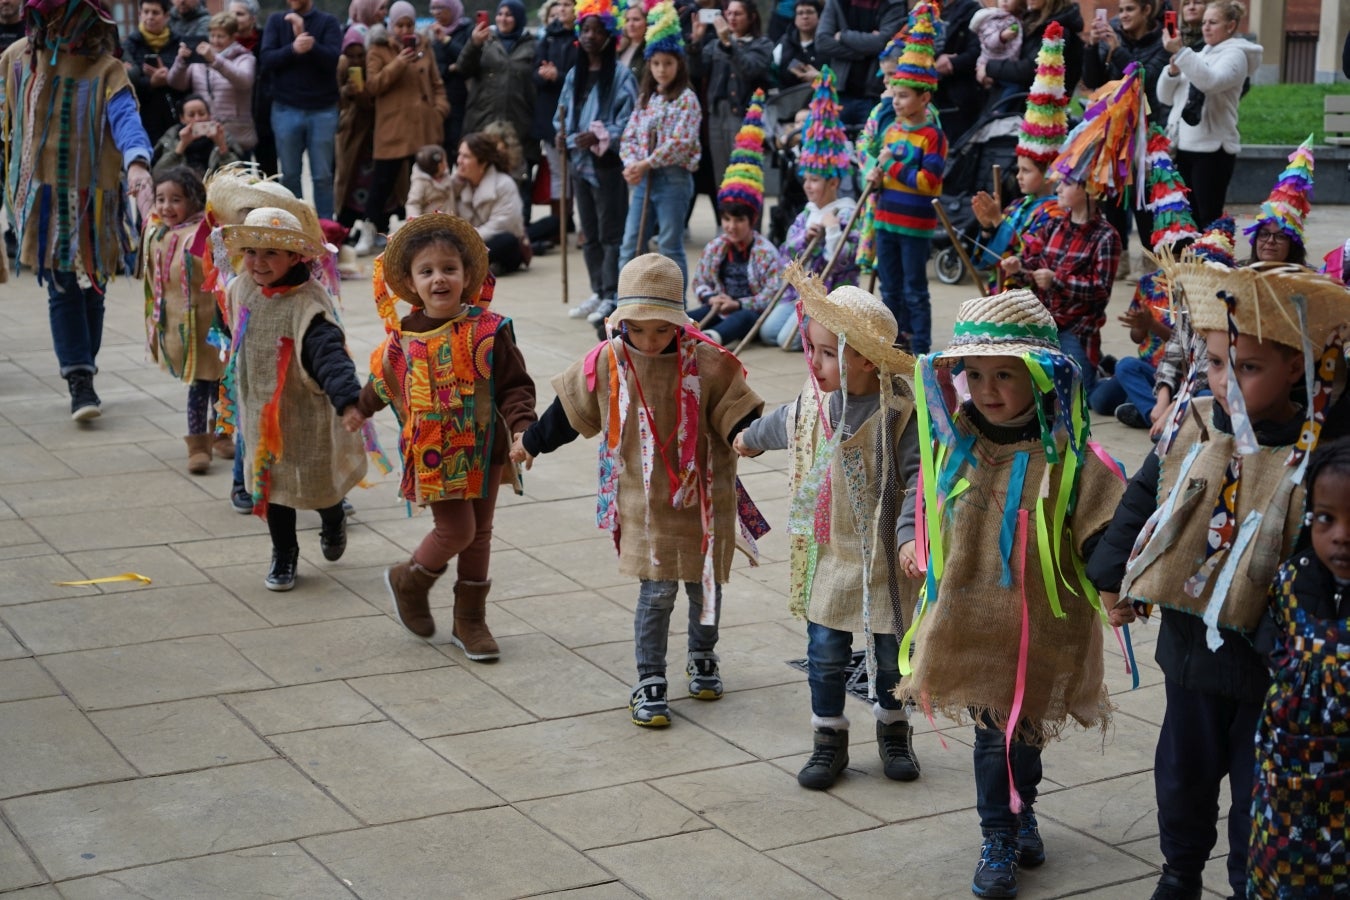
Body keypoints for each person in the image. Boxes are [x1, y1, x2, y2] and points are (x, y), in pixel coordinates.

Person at [1087, 261, 1350, 900]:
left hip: (1274, 664)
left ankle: (1247, 881)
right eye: (1213, 363)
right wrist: (1114, 573)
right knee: (1182, 775)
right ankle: (1179, 870)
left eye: (1248, 367)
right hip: (1189, 649)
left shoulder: (1326, 448)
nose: (1224, 380)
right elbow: (1146, 493)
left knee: (1260, 785)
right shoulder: (1196, 424)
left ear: (1299, 366)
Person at [896, 289, 1124, 899]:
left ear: (1043, 376)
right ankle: (996, 834)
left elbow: (1104, 525)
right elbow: (918, 498)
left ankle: (1024, 810)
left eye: (1005, 375)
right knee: (990, 736)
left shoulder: (1069, 458)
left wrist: (1114, 580)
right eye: (974, 374)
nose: (987, 388)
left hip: (1039, 627)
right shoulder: (955, 444)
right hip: (970, 624)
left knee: (1024, 735)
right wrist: (909, 538)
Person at [511, 254, 765, 728]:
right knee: (658, 591)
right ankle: (650, 678)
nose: (650, 341)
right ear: (621, 322)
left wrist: (748, 437)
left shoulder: (707, 361)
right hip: (645, 500)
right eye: (639, 329)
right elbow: (568, 413)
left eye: (662, 330)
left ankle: (702, 654)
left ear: (680, 325)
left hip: (702, 495)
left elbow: (738, 411)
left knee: (704, 582)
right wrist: (530, 442)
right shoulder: (608, 362)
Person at [736, 272, 921, 789]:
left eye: (823, 353)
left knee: (891, 655)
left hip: (886, 556)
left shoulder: (899, 410)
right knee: (825, 652)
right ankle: (828, 740)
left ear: (864, 357)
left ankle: (893, 729)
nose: (811, 363)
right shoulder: (817, 400)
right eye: (809, 349)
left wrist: (910, 536)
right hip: (830, 551)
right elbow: (785, 422)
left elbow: (917, 481)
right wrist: (749, 438)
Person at [352, 213, 536, 657]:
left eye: (449, 269)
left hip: (488, 451)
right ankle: (410, 578)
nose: (439, 279)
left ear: (468, 276)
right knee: (457, 531)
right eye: (427, 271)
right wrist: (358, 410)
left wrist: (523, 429)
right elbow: (383, 383)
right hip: (435, 454)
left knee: (481, 532)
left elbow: (515, 385)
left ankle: (469, 620)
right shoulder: (403, 340)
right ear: (411, 283)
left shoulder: (490, 331)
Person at [2, 0, 155, 421]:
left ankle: (83, 365)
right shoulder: (16, 62)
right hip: (43, 196)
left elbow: (126, 118)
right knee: (63, 283)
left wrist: (137, 162)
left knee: (96, 284)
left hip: (96, 195)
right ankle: (79, 379)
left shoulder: (108, 69)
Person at [219, 206, 366, 591]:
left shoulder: (308, 305)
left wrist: (349, 401)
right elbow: (229, 318)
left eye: (271, 253)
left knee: (318, 484)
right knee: (272, 488)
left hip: (304, 414)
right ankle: (284, 553)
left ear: (294, 257)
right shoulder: (242, 286)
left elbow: (330, 357)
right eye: (251, 251)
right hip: (259, 413)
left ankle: (333, 519)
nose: (258, 262)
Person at [1248, 438, 1350, 897]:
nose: (1341, 535)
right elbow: (1269, 635)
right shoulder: (1291, 581)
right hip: (1286, 785)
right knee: (1283, 877)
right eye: (1326, 518)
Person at [1088, 127, 1193, 430]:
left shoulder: (1199, 286)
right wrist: (1139, 327)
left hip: (1180, 374)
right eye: (1166, 248)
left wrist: (1154, 326)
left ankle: (1150, 415)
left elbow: (1189, 346)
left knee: (1127, 375)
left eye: (1179, 249)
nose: (1172, 255)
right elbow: (1138, 338)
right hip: (1147, 369)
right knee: (1101, 399)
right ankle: (1144, 405)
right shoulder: (1149, 284)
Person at [867, 4, 947, 355]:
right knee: (891, 289)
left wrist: (892, 167)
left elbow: (929, 183)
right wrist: (877, 177)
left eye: (903, 96)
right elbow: (886, 174)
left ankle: (923, 348)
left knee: (915, 289)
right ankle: (894, 346)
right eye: (894, 94)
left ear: (924, 97)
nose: (895, 101)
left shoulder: (933, 136)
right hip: (886, 221)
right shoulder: (892, 130)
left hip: (915, 226)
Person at [761, 68, 857, 350]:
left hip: (829, 297)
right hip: (800, 295)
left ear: (834, 181)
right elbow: (786, 256)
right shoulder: (806, 212)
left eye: (814, 180)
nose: (808, 186)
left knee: (786, 342)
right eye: (806, 179)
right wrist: (804, 239)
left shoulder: (846, 213)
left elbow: (842, 263)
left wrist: (831, 231)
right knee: (768, 333)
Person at [554, 1, 638, 322]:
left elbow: (628, 120)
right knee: (588, 231)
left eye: (597, 30)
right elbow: (560, 114)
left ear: (609, 35)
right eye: (585, 29)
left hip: (608, 164)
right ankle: (597, 289)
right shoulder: (574, 75)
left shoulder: (620, 76)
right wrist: (562, 135)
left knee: (611, 232)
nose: (590, 36)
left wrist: (602, 136)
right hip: (578, 163)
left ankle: (613, 293)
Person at [141, 167, 229, 473]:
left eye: (175, 199)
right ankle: (197, 444)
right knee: (199, 386)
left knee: (222, 383)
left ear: (193, 200)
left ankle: (222, 433)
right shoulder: (157, 234)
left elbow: (225, 270)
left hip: (213, 325)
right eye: (160, 199)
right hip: (185, 330)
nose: (166, 207)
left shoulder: (205, 234)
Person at [969, 21, 1067, 292]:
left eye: (1027, 171)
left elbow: (1031, 256)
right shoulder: (1015, 208)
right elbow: (986, 261)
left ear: (1049, 171)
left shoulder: (1057, 215)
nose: (1018, 176)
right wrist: (988, 227)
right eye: (1020, 169)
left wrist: (999, 222)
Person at [616, 2, 701, 295]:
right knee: (630, 243)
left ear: (679, 65)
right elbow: (628, 136)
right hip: (643, 180)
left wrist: (646, 163)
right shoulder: (646, 98)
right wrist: (631, 163)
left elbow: (681, 142)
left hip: (673, 179)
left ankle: (676, 305)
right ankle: (625, 302)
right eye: (656, 64)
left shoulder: (687, 99)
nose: (662, 70)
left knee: (669, 244)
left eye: (668, 63)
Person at [1156, 0, 1262, 230]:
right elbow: (1164, 97)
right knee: (1186, 217)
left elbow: (1210, 82)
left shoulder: (1236, 55)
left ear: (1231, 26)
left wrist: (1182, 53)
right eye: (1204, 22)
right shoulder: (1199, 54)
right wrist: (1173, 71)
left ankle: (1213, 263)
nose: (1206, 27)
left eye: (1213, 23)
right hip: (1184, 146)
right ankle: (1191, 265)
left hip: (1214, 150)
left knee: (1208, 217)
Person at [1083, 0, 1170, 273]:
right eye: (1120, 11)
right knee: (1114, 197)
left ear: (1147, 10)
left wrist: (1117, 51)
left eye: (1130, 9)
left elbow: (1146, 78)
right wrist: (1091, 46)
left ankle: (1149, 257)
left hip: (1148, 129)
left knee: (1143, 198)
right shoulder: (1112, 37)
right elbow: (1092, 78)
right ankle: (1117, 258)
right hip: (1114, 130)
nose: (1123, 16)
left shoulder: (1162, 42)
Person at [689, 92, 781, 347]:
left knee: (740, 318)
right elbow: (701, 281)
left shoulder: (764, 251)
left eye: (738, 220)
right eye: (727, 219)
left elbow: (772, 292)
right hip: (719, 306)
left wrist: (738, 303)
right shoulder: (716, 247)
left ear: (752, 220)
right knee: (689, 318)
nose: (731, 226)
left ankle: (711, 341)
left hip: (749, 313)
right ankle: (657, 332)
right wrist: (712, 299)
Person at [364, 2, 449, 241]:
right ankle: (370, 230)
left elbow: (437, 83)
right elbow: (373, 85)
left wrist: (439, 111)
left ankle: (428, 227)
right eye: (399, 25)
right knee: (382, 181)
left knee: (426, 180)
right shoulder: (378, 48)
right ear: (390, 25)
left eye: (409, 24)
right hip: (393, 127)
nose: (404, 30)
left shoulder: (425, 45)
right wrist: (400, 62)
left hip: (423, 126)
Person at [259, 0, 344, 220]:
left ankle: (327, 228)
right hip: (285, 109)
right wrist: (293, 49)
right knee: (290, 175)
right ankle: (294, 227)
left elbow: (333, 59)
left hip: (323, 110)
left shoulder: (328, 22)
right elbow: (266, 59)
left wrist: (311, 46)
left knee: (323, 176)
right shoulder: (276, 21)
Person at [458, 0, 539, 217]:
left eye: (509, 15)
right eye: (500, 14)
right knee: (482, 181)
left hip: (518, 127)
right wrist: (473, 44)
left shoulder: (532, 45)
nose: (503, 18)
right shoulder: (485, 41)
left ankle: (522, 237)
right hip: (483, 124)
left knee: (519, 182)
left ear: (519, 18)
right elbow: (463, 69)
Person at [688, 0, 773, 195]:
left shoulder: (763, 44)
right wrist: (696, 41)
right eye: (729, 13)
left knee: (746, 174)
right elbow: (697, 70)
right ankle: (727, 223)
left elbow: (751, 69)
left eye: (738, 14)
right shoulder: (714, 43)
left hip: (746, 116)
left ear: (752, 17)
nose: (732, 18)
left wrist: (729, 43)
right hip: (717, 115)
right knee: (722, 176)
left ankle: (750, 225)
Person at [167, 11, 257, 155]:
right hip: (205, 136)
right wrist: (181, 61)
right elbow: (176, 83)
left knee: (238, 176)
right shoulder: (199, 59)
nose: (215, 41)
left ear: (234, 37)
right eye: (212, 36)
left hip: (237, 136)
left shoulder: (245, 57)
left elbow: (245, 81)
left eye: (221, 36)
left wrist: (215, 61)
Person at [978, 0, 1084, 120]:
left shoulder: (1058, 30)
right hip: (1015, 105)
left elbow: (1030, 68)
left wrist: (989, 68)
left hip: (1033, 114)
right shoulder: (1032, 20)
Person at [815, 0, 908, 126]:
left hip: (876, 94)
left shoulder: (893, 3)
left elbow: (882, 43)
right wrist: (866, 50)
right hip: (841, 94)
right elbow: (822, 42)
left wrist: (843, 36)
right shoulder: (836, 2)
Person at [450, 132, 528, 275]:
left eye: (466, 156)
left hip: (490, 243)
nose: (459, 160)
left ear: (483, 163)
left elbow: (501, 226)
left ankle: (466, 264)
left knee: (507, 241)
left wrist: (465, 241)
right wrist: (450, 188)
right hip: (466, 245)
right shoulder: (457, 183)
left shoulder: (504, 184)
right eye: (459, 155)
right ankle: (469, 264)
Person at [532, 0, 578, 243]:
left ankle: (580, 226)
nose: (562, 9)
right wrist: (543, 74)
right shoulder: (547, 37)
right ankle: (557, 227)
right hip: (550, 117)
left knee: (579, 174)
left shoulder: (583, 35)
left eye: (568, 4)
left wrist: (557, 75)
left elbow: (581, 76)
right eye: (558, 4)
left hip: (578, 117)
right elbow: (534, 73)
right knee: (559, 175)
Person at [1241, 135, 1313, 268]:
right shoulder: (1239, 274)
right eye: (1264, 234)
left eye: (1280, 236)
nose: (1270, 241)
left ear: (1293, 245)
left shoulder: (1307, 282)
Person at [123, 0, 186, 148]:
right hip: (141, 116)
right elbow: (126, 83)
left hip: (173, 116)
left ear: (166, 16)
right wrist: (150, 83)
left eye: (155, 12)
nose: (149, 17)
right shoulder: (129, 46)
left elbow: (188, 81)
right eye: (146, 12)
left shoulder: (179, 44)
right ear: (140, 14)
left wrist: (170, 78)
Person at [335, 26, 377, 247]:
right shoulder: (341, 67)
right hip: (350, 136)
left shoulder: (373, 67)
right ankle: (343, 230)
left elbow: (371, 104)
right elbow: (338, 102)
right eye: (351, 56)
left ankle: (372, 230)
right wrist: (346, 92)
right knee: (347, 184)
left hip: (372, 136)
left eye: (360, 55)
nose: (355, 60)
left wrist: (361, 94)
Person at [152, 93, 246, 178]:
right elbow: (158, 174)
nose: (197, 119)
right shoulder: (171, 137)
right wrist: (182, 145)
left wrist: (222, 146)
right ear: (182, 118)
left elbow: (239, 175)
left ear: (209, 115)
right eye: (191, 115)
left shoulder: (223, 136)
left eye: (202, 114)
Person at [932, 0, 985, 143]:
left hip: (957, 98)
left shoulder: (971, 10)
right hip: (929, 96)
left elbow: (979, 51)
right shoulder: (925, 10)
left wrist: (953, 63)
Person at [428, 0, 473, 156]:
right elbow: (430, 65)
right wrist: (449, 68)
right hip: (437, 99)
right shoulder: (430, 32)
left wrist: (446, 41)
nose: (436, 12)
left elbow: (467, 58)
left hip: (460, 100)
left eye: (441, 8)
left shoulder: (467, 30)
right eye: (433, 8)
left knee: (456, 145)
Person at [971, 0, 1023, 107]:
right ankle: (999, 110)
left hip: (1005, 64)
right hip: (992, 62)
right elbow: (989, 42)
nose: (1004, 1)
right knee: (1014, 87)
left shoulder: (1014, 17)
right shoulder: (992, 17)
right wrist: (1002, 37)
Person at [771, 0, 822, 87]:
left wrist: (821, 77)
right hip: (789, 97)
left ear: (819, 17)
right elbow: (772, 75)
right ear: (794, 18)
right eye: (800, 13)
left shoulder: (828, 44)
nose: (805, 16)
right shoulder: (783, 45)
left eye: (809, 12)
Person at [406, 144, 456, 218]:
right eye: (445, 160)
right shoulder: (421, 183)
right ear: (440, 165)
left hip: (449, 219)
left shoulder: (446, 176)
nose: (447, 163)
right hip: (430, 223)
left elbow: (455, 189)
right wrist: (414, 217)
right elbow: (413, 203)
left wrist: (460, 180)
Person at [617, 1, 646, 80]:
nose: (631, 24)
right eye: (627, 20)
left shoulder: (649, 52)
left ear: (646, 22)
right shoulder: (620, 48)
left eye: (636, 19)